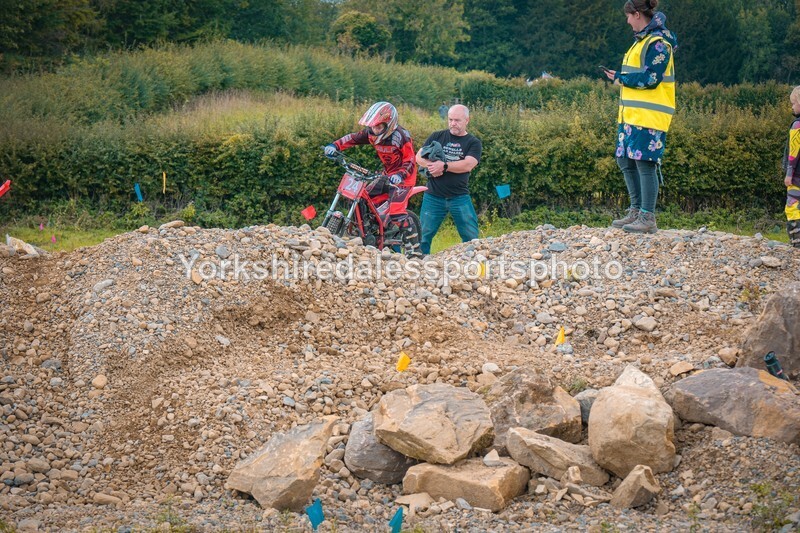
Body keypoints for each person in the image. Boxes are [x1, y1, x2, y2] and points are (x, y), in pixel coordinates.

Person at [604, 0, 677, 234]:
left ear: (637, 14)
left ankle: (648, 216)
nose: (626, 21)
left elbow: (650, 79)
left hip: (650, 116)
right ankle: (635, 210)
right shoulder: (641, 42)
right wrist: (619, 74)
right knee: (624, 160)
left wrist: (621, 78)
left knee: (645, 163)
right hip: (631, 116)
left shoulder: (658, 44)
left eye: (628, 16)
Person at [324, 102, 417, 228]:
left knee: (396, 214)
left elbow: (410, 160)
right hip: (386, 175)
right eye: (373, 127)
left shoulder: (401, 136)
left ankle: (413, 245)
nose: (375, 130)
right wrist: (335, 146)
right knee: (361, 198)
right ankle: (368, 228)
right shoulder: (371, 133)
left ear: (389, 125)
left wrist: (400, 175)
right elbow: (353, 138)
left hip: (404, 179)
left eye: (379, 127)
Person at [416, 104, 482, 255]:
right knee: (423, 237)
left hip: (459, 197)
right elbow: (418, 157)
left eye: (457, 120)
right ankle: (419, 267)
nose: (453, 123)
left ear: (467, 120)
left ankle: (473, 266)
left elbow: (468, 165)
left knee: (471, 238)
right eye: (450, 119)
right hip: (433, 196)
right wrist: (433, 166)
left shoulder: (473, 142)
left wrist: (444, 166)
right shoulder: (437, 136)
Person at [784, 85, 800, 247]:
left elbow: (793, 153)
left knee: (793, 206)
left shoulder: (797, 126)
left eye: (793, 103)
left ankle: (797, 244)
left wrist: (789, 173)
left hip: (797, 176)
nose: (792, 107)